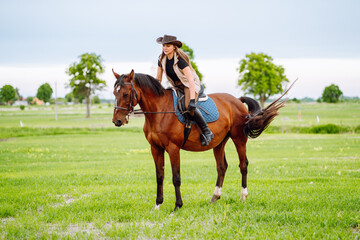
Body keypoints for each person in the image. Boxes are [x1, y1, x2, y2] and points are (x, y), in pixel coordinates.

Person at [156, 34, 214, 146]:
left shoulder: (181, 60)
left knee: (188, 106)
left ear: (174, 47)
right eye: (164, 46)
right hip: (176, 85)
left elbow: (191, 80)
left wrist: (192, 99)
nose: (165, 48)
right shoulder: (161, 59)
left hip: (189, 84)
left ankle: (207, 131)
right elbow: (158, 79)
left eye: (168, 46)